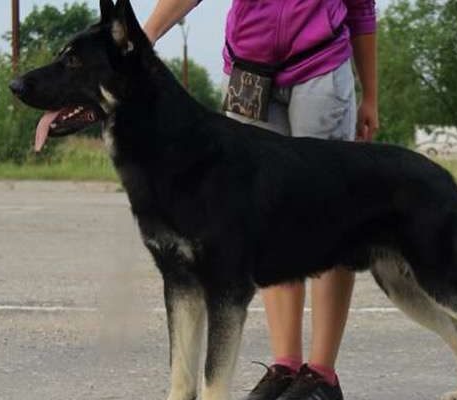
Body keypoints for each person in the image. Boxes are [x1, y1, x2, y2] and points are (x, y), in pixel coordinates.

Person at [144, 1, 378, 399]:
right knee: (261, 220)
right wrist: (146, 34)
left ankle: (321, 375)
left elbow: (361, 8)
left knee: (333, 214)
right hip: (248, 72)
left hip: (320, 66)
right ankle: (285, 366)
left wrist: (370, 93)